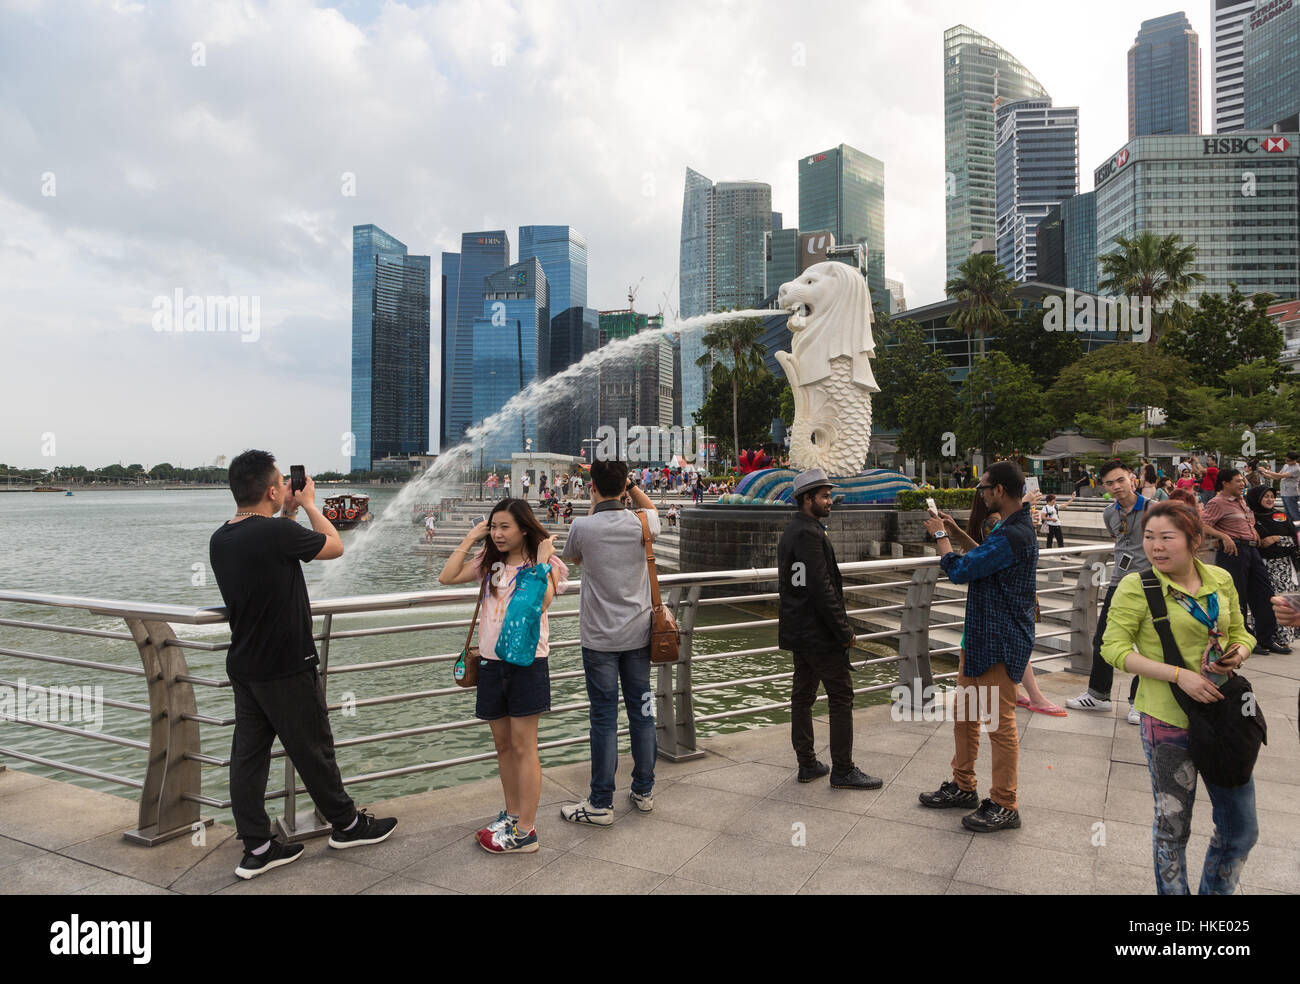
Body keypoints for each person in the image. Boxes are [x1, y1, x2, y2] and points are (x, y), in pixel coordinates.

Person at [209, 451, 397, 880]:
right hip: (287, 664)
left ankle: (257, 846)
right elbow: (334, 546)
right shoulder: (274, 533)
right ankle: (347, 825)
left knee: (249, 757)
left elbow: (275, 555)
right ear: (273, 489)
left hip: (246, 665)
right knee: (313, 748)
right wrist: (311, 504)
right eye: (281, 483)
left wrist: (287, 513)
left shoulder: (222, 538)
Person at [1099, 500, 1258, 894]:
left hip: (1224, 719)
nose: (1156, 547)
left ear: (1194, 540)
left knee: (1241, 829)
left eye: (1167, 537)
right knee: (1173, 829)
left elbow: (1243, 632)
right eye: (1149, 537)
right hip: (1167, 722)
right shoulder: (1137, 587)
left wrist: (1237, 653)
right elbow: (1113, 648)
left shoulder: (1220, 579)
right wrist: (1178, 675)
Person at [439, 499, 567, 853]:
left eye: (504, 527)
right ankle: (511, 815)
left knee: (525, 747)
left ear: (524, 528)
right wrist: (470, 537)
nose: (497, 533)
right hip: (492, 664)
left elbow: (536, 606)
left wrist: (540, 564)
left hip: (528, 665)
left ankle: (526, 830)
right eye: (493, 527)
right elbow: (446, 576)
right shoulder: (488, 563)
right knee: (503, 746)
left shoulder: (546, 566)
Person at [920, 460, 1038, 831]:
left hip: (1000, 640)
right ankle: (962, 785)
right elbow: (984, 559)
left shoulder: (1015, 534)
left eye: (983, 488)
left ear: (999, 490)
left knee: (999, 725)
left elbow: (960, 571)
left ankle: (1005, 803)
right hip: (980, 636)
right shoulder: (1010, 530)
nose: (981, 493)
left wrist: (940, 536)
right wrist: (956, 534)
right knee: (966, 715)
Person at [559, 459, 660, 825]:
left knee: (603, 718)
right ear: (625, 487)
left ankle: (601, 802)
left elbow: (572, 555)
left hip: (600, 639)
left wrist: (597, 500)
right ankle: (643, 791)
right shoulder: (642, 522)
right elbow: (651, 508)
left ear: (593, 488)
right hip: (639, 635)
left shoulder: (583, 526)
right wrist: (629, 486)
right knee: (643, 713)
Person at [778, 469, 883, 790]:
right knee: (841, 696)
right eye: (823, 496)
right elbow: (821, 588)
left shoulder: (792, 531)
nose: (829, 501)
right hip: (818, 633)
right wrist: (844, 631)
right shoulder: (809, 534)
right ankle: (843, 770)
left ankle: (807, 763)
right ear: (806, 499)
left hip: (799, 631)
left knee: (803, 696)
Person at [942, 490, 1064, 717]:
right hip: (1001, 606)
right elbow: (970, 565)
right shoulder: (1000, 525)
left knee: (975, 710)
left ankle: (1020, 692)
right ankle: (1028, 695)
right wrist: (942, 536)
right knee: (994, 718)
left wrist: (954, 533)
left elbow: (981, 555)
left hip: (1004, 603)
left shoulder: (1010, 526)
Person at [1065, 460, 1148, 723]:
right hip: (1119, 582)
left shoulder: (1154, 510)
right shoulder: (1109, 514)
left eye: (1120, 480)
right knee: (1103, 639)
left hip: (1149, 583)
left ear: (1132, 478)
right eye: (1110, 483)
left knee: (1148, 644)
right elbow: (1120, 542)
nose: (1116, 487)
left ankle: (1142, 702)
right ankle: (1098, 695)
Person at [1202, 468, 1288, 654]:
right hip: (1234, 552)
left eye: (1242, 480)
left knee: (1265, 592)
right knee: (1237, 597)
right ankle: (1245, 638)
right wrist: (1223, 536)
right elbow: (1202, 524)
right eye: (1238, 481)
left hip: (1252, 550)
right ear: (1225, 483)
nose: (1242, 484)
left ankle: (1266, 637)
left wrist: (1253, 530)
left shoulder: (1242, 500)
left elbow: (1247, 521)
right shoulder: (1217, 502)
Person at [1247, 484, 1298, 647]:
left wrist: (1276, 538)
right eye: (1265, 496)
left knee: (1283, 601)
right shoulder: (1250, 518)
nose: (1269, 499)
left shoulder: (1281, 515)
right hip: (1259, 565)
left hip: (1282, 565)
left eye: (1271, 496)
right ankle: (1265, 636)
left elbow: (1294, 541)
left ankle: (1283, 639)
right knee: (1263, 601)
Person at [1259, 451, 1300, 526]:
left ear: (1294, 460)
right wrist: (1265, 474)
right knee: (1287, 514)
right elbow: (1277, 476)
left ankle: (1297, 533)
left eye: (1288, 460)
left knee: (1294, 514)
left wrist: (1266, 470)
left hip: (1291, 494)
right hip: (1284, 493)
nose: (1286, 462)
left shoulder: (1296, 469)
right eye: (1286, 460)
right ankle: (1290, 532)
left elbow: (1282, 476)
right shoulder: (1286, 465)